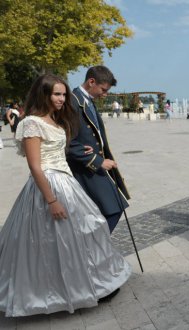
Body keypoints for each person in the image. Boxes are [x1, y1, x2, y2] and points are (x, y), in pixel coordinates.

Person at [0, 74, 131, 317]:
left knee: (81, 235)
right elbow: (35, 166)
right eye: (56, 94)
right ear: (44, 95)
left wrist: (84, 149)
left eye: (63, 94)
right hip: (48, 186)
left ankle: (87, 284)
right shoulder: (32, 123)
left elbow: (65, 151)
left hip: (67, 183)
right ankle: (51, 293)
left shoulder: (55, 121)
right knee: (50, 242)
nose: (62, 99)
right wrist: (51, 200)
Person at [67, 66, 130, 234]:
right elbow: (66, 141)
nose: (105, 94)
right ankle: (93, 248)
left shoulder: (87, 100)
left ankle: (93, 248)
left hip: (95, 165)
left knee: (109, 208)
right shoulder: (72, 102)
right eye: (103, 89)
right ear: (91, 82)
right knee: (113, 209)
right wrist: (98, 161)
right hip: (84, 167)